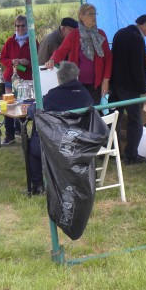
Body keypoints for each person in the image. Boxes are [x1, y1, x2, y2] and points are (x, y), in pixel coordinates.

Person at [27, 61, 93, 195]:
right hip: (81, 142)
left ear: (59, 78)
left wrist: (30, 107)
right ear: (77, 76)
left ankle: (38, 185)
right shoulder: (86, 94)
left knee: (34, 142)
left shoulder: (52, 96)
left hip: (56, 143)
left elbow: (34, 111)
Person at [110, 14, 146, 165]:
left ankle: (112, 151)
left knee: (114, 119)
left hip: (116, 84)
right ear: (144, 24)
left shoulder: (119, 33)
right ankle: (131, 155)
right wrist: (143, 89)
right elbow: (138, 67)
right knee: (136, 121)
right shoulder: (137, 38)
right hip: (130, 87)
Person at [45, 3, 112, 105]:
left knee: (95, 111)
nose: (94, 17)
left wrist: (105, 80)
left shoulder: (101, 34)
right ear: (81, 16)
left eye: (95, 14)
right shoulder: (74, 34)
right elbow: (61, 51)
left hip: (96, 86)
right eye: (90, 14)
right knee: (79, 110)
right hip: (77, 84)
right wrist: (52, 59)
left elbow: (108, 58)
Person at [0, 15, 38, 145]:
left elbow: (39, 59)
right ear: (15, 27)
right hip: (10, 78)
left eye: (22, 26)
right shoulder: (10, 41)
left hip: (26, 80)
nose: (20, 28)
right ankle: (9, 135)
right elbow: (2, 58)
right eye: (17, 26)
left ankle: (21, 131)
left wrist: (29, 62)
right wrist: (12, 61)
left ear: (27, 27)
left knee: (24, 106)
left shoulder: (33, 41)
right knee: (9, 105)